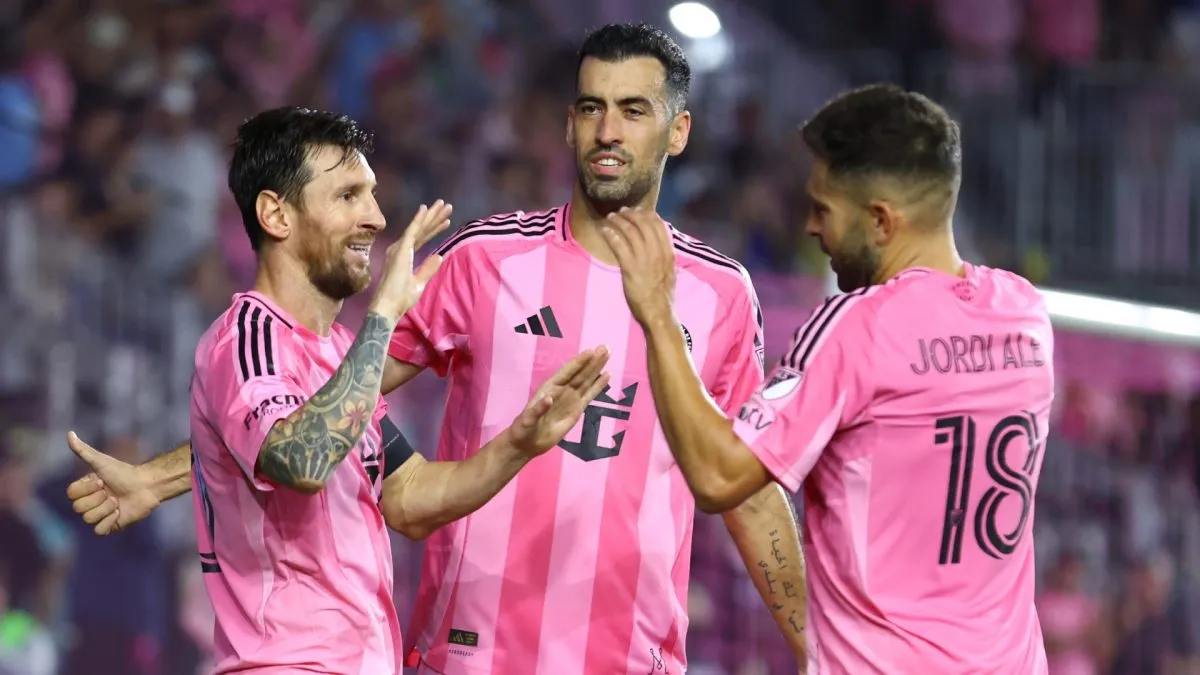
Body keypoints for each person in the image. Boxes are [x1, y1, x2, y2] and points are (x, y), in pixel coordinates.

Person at [66, 24, 809, 673]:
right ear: (569, 124)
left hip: (633, 655)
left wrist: (818, 645)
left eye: (633, 110)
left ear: (677, 132)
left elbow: (744, 483)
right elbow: (331, 398)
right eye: (591, 108)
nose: (608, 130)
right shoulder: (483, 261)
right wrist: (165, 475)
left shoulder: (722, 294)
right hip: (470, 651)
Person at [72, 106, 611, 674]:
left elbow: (409, 497)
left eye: (372, 195)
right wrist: (383, 314)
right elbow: (299, 460)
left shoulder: (334, 354)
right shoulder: (246, 338)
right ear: (276, 215)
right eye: (349, 196)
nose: (376, 218)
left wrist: (518, 444)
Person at [601, 84, 1054, 673]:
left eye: (824, 209)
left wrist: (659, 313)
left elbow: (717, 477)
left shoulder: (857, 327)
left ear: (882, 221)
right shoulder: (1023, 315)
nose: (812, 228)